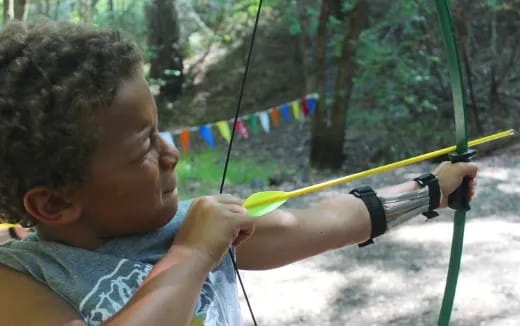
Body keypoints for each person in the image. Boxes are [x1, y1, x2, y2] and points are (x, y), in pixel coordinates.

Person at [0, 20, 477, 326]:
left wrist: (430, 190)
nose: (171, 155)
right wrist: (192, 254)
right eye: (143, 146)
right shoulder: (19, 281)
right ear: (54, 203)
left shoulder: (189, 226)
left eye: (160, 132)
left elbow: (320, 223)